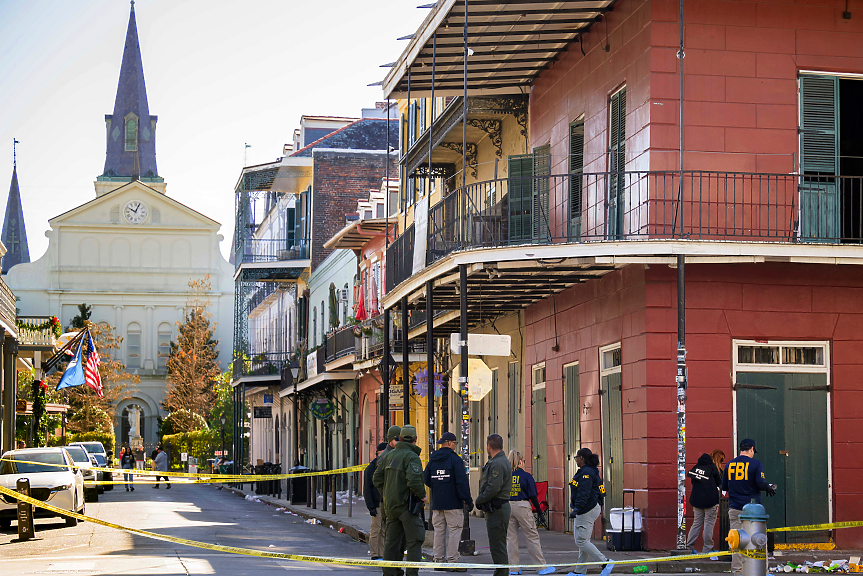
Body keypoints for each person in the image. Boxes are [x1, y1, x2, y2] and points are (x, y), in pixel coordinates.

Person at [373, 425, 426, 576]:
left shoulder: (388, 456)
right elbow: (414, 480)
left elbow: (376, 479)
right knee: (415, 540)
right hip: (406, 506)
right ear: (415, 439)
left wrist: (388, 493)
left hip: (391, 506)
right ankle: (411, 573)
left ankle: (389, 572)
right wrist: (423, 496)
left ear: (400, 438)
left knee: (391, 542)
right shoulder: (411, 456)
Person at [722, 439, 775, 576]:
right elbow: (760, 484)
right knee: (758, 541)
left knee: (737, 542)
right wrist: (768, 488)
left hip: (735, 508)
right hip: (753, 511)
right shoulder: (756, 464)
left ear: (740, 449)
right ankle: (763, 571)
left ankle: (738, 572)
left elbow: (724, 487)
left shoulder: (729, 464)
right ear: (751, 449)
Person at [424, 431, 473, 571]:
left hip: (437, 503)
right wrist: (468, 501)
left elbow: (426, 478)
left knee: (439, 531)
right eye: (455, 443)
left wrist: (437, 486)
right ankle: (452, 561)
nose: (456, 446)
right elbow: (461, 483)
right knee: (455, 531)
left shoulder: (433, 459)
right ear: (450, 443)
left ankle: (438, 560)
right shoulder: (455, 460)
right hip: (453, 503)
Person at [507, 450, 555, 576]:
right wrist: (540, 513)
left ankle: (514, 568)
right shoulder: (526, 476)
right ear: (520, 462)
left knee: (511, 538)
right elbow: (533, 496)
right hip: (522, 505)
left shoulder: (505, 476)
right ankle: (541, 567)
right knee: (532, 536)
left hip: (507, 506)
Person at [475, 434, 511, 576]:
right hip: (497, 508)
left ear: (488, 447)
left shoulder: (497, 463)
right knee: (498, 544)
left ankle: (502, 573)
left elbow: (493, 487)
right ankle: (501, 572)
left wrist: (480, 500)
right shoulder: (501, 460)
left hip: (498, 509)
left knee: (497, 545)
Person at [569, 448, 608, 569]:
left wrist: (577, 508)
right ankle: (579, 571)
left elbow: (583, 492)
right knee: (583, 540)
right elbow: (601, 491)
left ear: (582, 458)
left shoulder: (586, 473)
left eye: (576, 457)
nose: (575, 460)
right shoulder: (591, 471)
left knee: (581, 540)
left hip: (586, 509)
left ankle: (604, 562)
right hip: (590, 508)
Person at [686, 453, 722, 554]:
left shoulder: (695, 468)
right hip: (711, 501)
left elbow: (693, 482)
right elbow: (719, 482)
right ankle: (707, 548)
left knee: (696, 524)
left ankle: (689, 547)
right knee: (708, 524)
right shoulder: (713, 468)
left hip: (696, 501)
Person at [365, 442, 388, 560]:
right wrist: (371, 507)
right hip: (376, 503)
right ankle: (374, 554)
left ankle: (382, 553)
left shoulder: (385, 465)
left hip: (385, 504)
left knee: (383, 530)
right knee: (376, 530)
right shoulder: (371, 468)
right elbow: (367, 489)